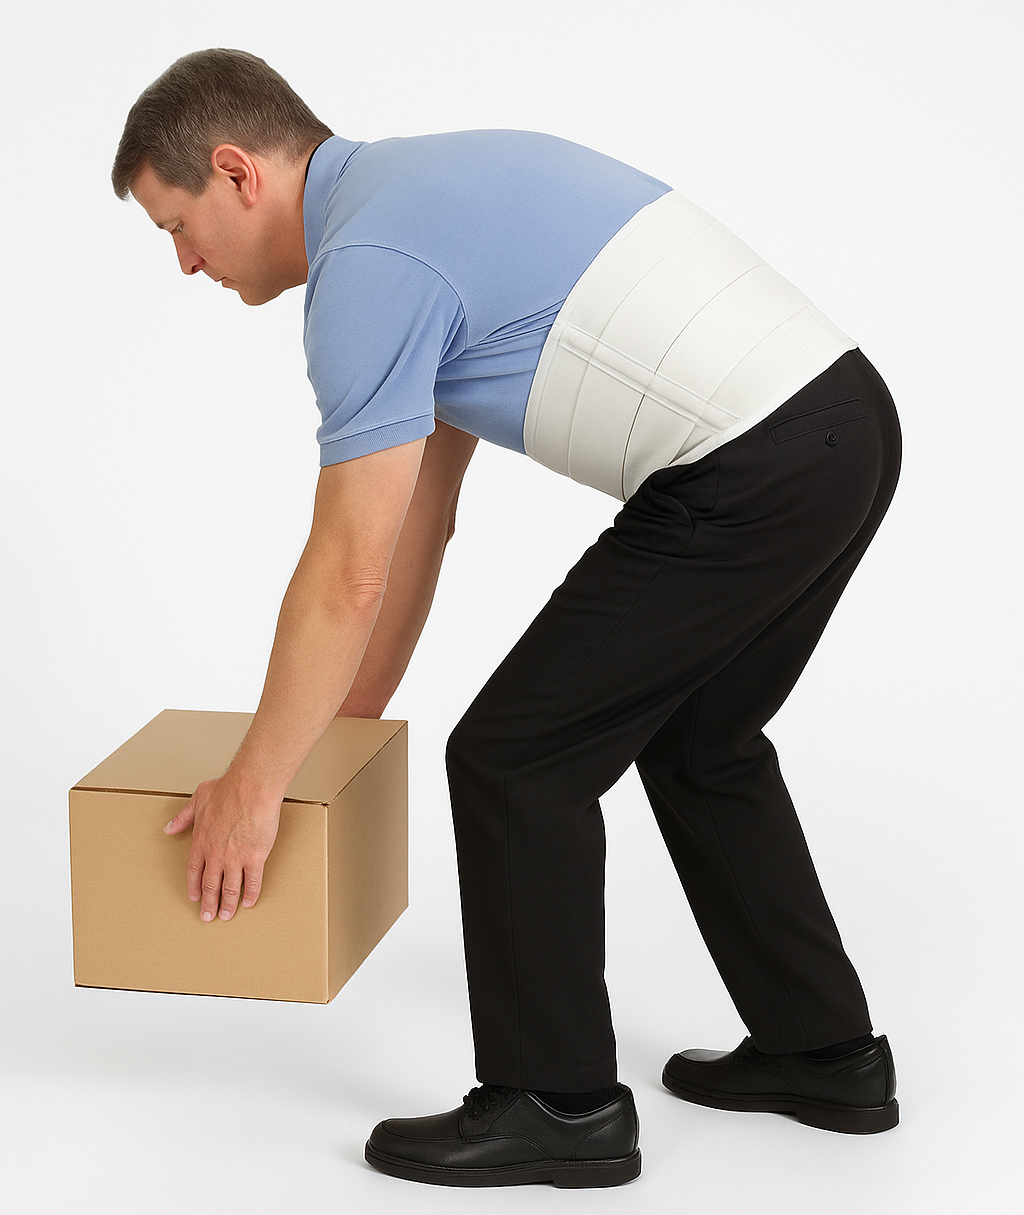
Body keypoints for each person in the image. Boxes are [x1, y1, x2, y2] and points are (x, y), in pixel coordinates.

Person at [113, 47, 901, 1189]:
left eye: (176, 226)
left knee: (513, 760)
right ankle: (825, 1054)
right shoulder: (416, 199)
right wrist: (343, 731)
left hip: (749, 468)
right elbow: (413, 527)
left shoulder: (369, 269)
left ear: (236, 171)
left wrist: (255, 782)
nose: (185, 264)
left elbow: (343, 571)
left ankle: (557, 1103)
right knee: (700, 744)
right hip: (841, 425)